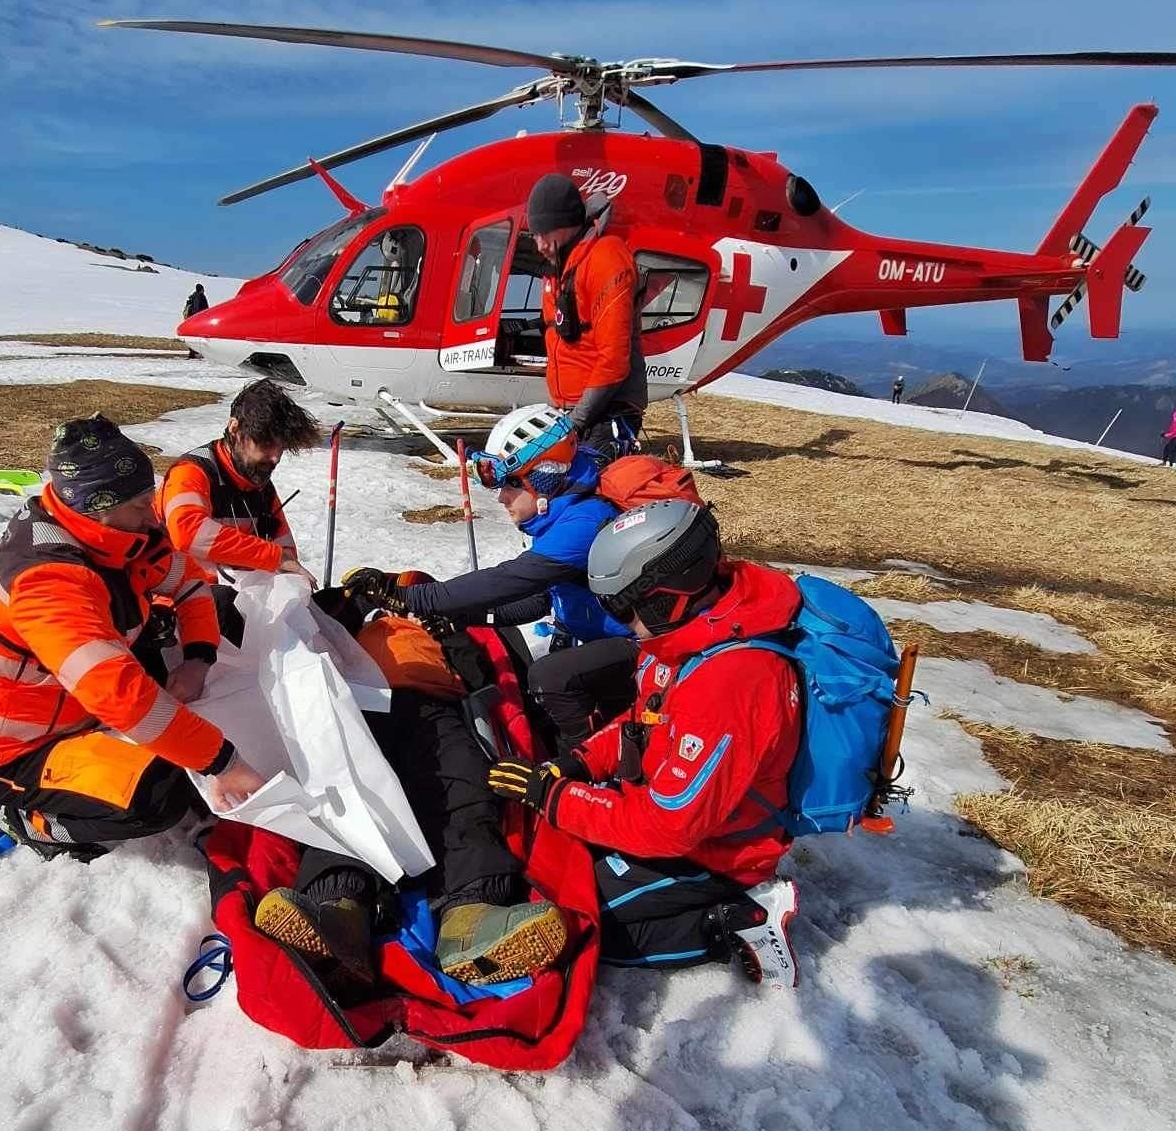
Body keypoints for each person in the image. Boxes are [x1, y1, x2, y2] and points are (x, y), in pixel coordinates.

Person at [485, 499, 804, 987]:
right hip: (668, 816)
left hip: (715, 853)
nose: (619, 620)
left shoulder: (734, 680)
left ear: (663, 596)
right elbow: (642, 720)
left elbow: (669, 827)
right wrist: (578, 763)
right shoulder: (681, 640)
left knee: (577, 928)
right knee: (544, 861)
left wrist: (555, 798)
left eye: (621, 605)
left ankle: (744, 920)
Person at [0, 414, 265, 860]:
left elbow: (189, 583)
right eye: (138, 505)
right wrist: (224, 763)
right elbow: (119, 695)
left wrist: (198, 659)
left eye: (150, 499)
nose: (151, 516)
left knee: (222, 605)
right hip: (11, 749)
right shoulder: (47, 581)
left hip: (74, 703)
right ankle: (34, 822)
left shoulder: (117, 534)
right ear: (96, 505)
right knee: (156, 796)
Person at [252, 597, 568, 987]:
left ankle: (469, 916)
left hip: (437, 703)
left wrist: (447, 632)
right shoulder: (352, 623)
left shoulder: (436, 628)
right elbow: (305, 625)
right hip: (359, 702)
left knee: (462, 785)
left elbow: (479, 673)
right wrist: (352, 602)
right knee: (349, 790)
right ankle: (339, 909)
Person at [345, 405, 638, 751]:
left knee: (551, 677)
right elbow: (541, 600)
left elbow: (515, 579)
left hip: (643, 648)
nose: (501, 497)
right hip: (596, 637)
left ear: (543, 477)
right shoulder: (565, 509)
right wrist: (462, 615)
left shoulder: (587, 519)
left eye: (510, 484)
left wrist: (411, 596)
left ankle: (592, 762)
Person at [527, 173, 647, 458]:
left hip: (605, 415)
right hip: (572, 413)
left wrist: (576, 421)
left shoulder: (606, 257)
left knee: (590, 497)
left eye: (545, 233)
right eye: (535, 234)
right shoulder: (559, 270)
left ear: (568, 225)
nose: (539, 244)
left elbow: (614, 359)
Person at [157, 380, 320, 588]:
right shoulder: (192, 472)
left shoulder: (260, 487)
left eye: (282, 447)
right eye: (266, 444)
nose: (275, 458)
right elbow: (188, 533)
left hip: (233, 598)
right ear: (235, 428)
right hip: (176, 597)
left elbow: (286, 556)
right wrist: (272, 557)